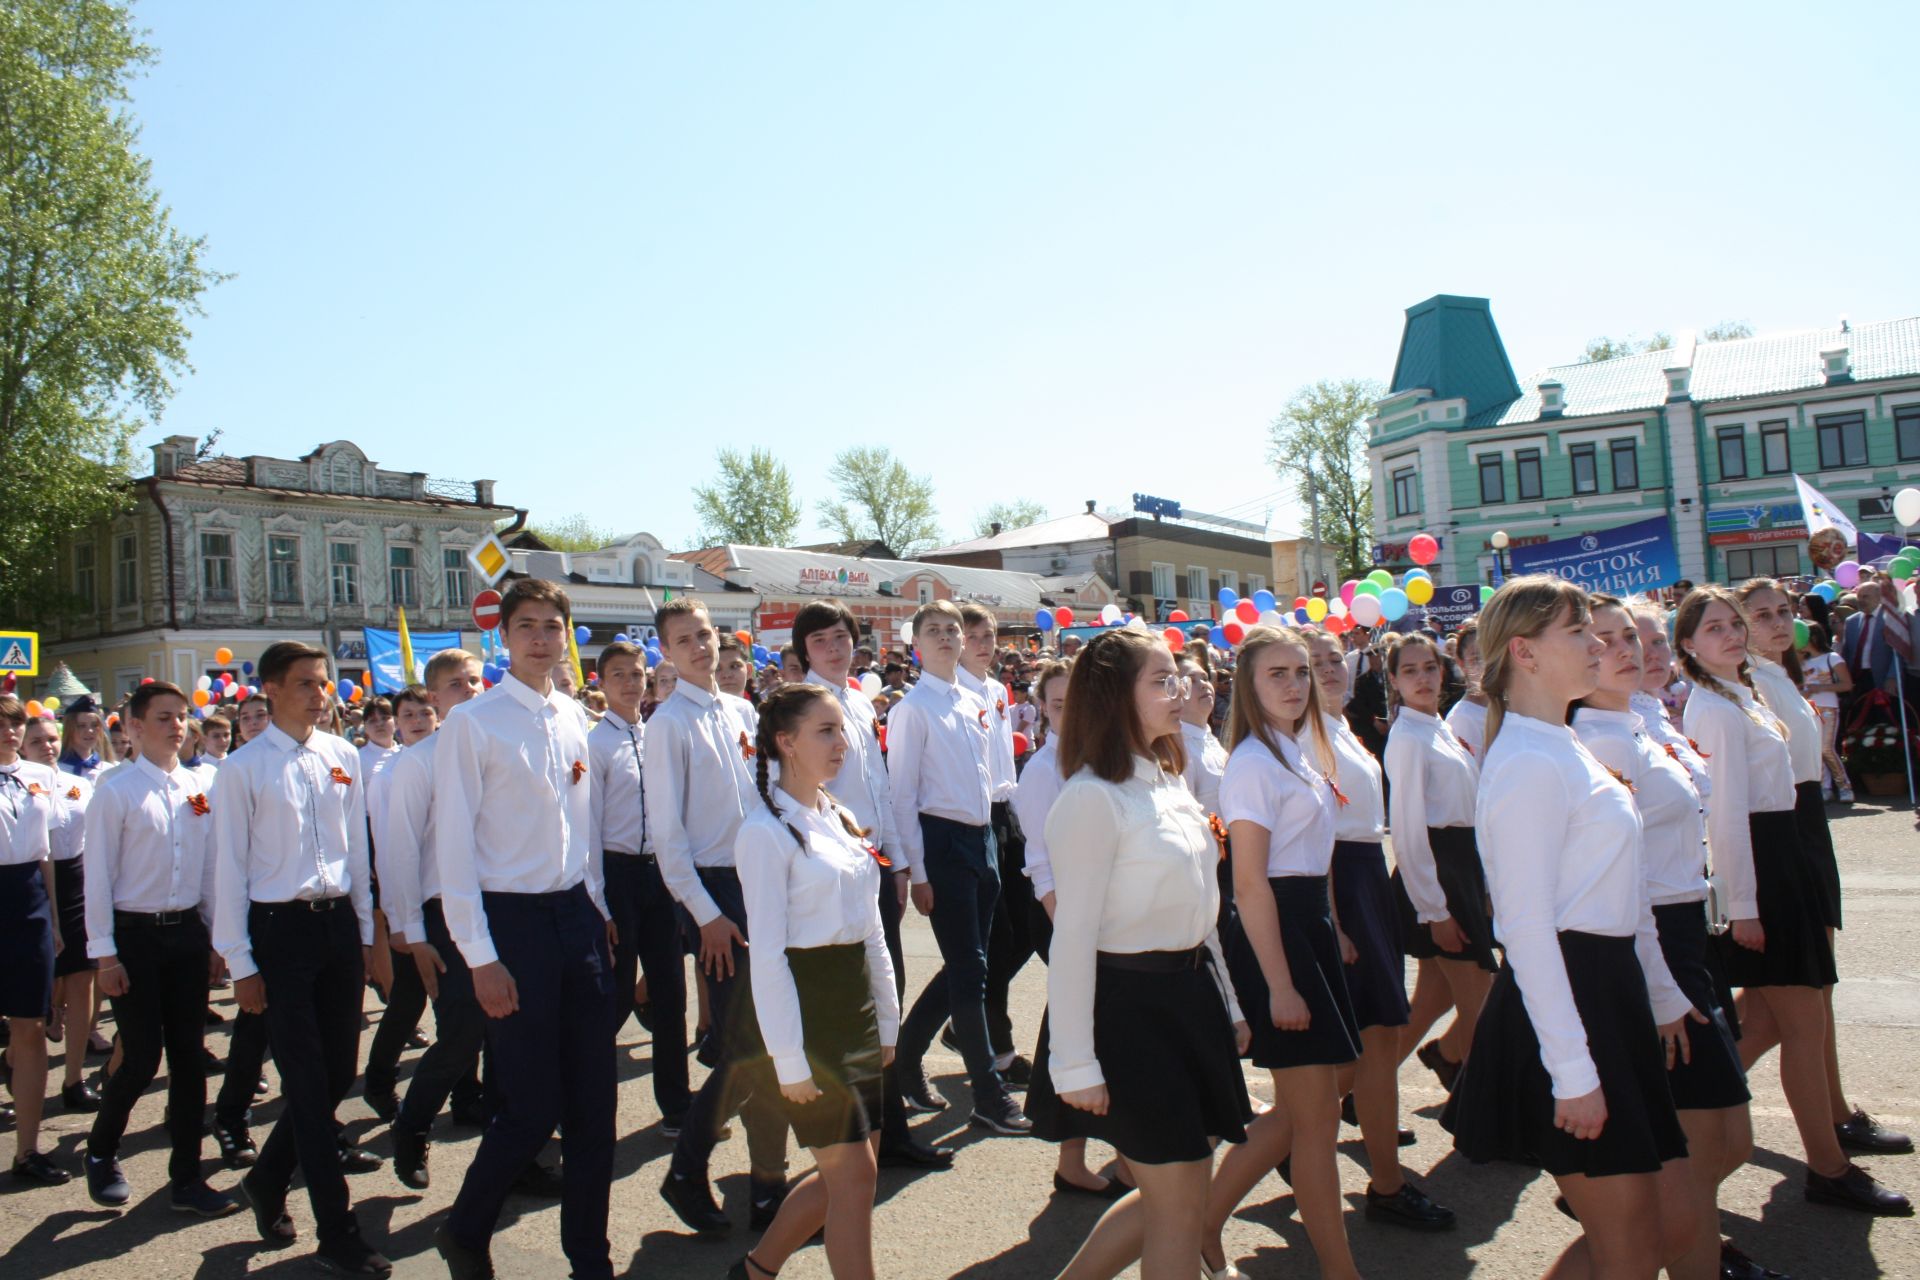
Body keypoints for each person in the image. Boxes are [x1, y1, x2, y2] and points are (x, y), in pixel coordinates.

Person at [1442, 576, 1700, 1278]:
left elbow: (1623, 891)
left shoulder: (1560, 744)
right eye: (1579, 632)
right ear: (1524, 653)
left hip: (1604, 992)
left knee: (1645, 1237)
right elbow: (1525, 931)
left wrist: (1661, 994)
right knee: (1629, 1247)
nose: (1597, 644)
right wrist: (1574, 1072)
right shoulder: (1528, 760)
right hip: (1571, 1003)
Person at [1026, 628, 1251, 1280]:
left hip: (1188, 1000)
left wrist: (1229, 1004)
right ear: (1114, 696)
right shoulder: (1092, 797)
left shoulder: (1167, 780)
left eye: (1176, 677)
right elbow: (1071, 939)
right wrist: (1074, 1064)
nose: (1178, 691)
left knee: (1175, 1196)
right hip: (1131, 1014)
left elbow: (1199, 912)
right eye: (1160, 680)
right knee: (1179, 1207)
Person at [1677, 587, 1908, 1215]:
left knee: (1779, 1022)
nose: (1731, 634)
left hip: (1782, 853)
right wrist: (1742, 906)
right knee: (1801, 1025)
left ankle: (1675, 1149)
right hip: (1764, 867)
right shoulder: (1716, 708)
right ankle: (1828, 1168)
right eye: (1715, 628)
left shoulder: (1740, 695)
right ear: (1688, 648)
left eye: (1733, 624)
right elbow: (1725, 821)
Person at [427, 580, 617, 1280]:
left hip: (575, 918)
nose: (540, 639)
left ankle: (588, 1257)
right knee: (533, 1108)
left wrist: (598, 910)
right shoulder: (474, 724)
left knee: (596, 1106)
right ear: (503, 637)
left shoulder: (573, 716)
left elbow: (583, 829)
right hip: (511, 926)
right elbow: (453, 849)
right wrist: (479, 956)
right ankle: (466, 1228)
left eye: (551, 626)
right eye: (527, 626)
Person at [1574, 595, 1766, 1280]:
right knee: (1688, 1167)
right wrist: (1662, 986)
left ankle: (1689, 1251)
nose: (1629, 650)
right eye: (1606, 640)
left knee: (1723, 1140)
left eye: (1633, 636)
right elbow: (1619, 879)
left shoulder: (1634, 723)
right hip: (1654, 942)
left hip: (1687, 934)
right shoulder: (1596, 739)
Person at [210, 641, 391, 1275]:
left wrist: (369, 938)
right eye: (309, 684)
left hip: (337, 925)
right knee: (309, 1088)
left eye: (325, 682)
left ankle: (265, 1178)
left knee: (339, 1070)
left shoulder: (343, 756)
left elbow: (358, 857)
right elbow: (228, 870)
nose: (323, 694)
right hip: (278, 933)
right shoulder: (243, 769)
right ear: (273, 691)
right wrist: (241, 963)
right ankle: (337, 1231)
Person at [1199, 625, 1363, 1280]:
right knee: (1316, 1128)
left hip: (1309, 929)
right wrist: (1281, 984)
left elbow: (1314, 854)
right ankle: (1340, 1271)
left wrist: (1336, 927)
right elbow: (1249, 885)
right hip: (1278, 936)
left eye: (1302, 672)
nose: (1296, 684)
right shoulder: (1252, 764)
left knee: (1308, 1112)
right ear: (1248, 685)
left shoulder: (1298, 751)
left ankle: (1204, 1220)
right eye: (1279, 674)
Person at [731, 683, 900, 1280]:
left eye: (841, 729)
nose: (841, 742)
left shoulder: (841, 815)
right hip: (806, 1015)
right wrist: (789, 1060)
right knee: (855, 1181)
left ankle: (756, 1269)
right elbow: (769, 956)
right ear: (786, 743)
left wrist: (886, 1016)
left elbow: (872, 930)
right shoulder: (764, 832)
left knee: (848, 1174)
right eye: (824, 731)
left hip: (853, 1003)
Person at [647, 598, 792, 1238]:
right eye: (684, 641)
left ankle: (766, 1185)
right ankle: (696, 1169)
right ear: (667, 652)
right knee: (750, 1049)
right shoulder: (667, 724)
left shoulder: (741, 710)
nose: (700, 648)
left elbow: (766, 798)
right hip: (714, 892)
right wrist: (704, 916)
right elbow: (667, 839)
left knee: (769, 1042)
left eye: (704, 635)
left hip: (761, 880)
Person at [792, 600, 953, 1172]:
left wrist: (901, 863)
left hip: (876, 863)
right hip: (838, 866)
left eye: (840, 638)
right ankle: (850, 1139)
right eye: (820, 641)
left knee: (889, 994)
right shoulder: (804, 707)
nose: (833, 649)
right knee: (848, 1005)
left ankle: (888, 1131)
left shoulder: (858, 699)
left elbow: (882, 789)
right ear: (804, 651)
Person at [1302, 628, 1451, 1230]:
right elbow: (1318, 843)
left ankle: (1373, 1171)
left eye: (1335, 658)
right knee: (1371, 1044)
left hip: (1368, 879)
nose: (1329, 669)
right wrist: (1337, 921)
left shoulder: (1340, 730)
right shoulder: (1309, 739)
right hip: (1345, 884)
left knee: (1376, 1045)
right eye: (1313, 663)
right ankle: (1380, 1182)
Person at [78, 681, 236, 1215]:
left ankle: (186, 1178)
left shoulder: (199, 787)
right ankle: (101, 1149)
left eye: (181, 716)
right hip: (135, 937)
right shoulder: (116, 790)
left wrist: (216, 938)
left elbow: (212, 867)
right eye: (163, 717)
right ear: (135, 729)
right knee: (143, 1056)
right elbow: (96, 877)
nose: (175, 726)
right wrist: (105, 955)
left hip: (187, 933)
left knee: (190, 1058)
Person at [887, 601, 1029, 1135]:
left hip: (981, 839)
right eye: (935, 631)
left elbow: (988, 780)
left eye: (953, 629)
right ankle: (989, 1096)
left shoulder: (972, 699)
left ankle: (906, 1055)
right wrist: (916, 872)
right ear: (916, 645)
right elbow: (902, 798)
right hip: (942, 843)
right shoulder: (913, 708)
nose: (947, 637)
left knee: (971, 966)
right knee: (969, 972)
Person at [1016, 658, 1132, 1200]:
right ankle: (1075, 1158)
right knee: (1075, 1029)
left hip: (1115, 916)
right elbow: (1039, 861)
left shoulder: (1105, 758)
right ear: (1042, 706)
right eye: (1058, 704)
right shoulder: (1042, 771)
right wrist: (1071, 932)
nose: (1069, 713)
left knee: (1111, 1033)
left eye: (1077, 702)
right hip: (1069, 918)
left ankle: (1120, 1151)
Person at [380, 650, 489, 1190]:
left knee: (503, 1024)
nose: (467, 691)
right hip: (441, 910)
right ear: (432, 699)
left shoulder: (495, 745)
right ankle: (412, 1125)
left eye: (474, 680)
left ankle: (482, 1111)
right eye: (454, 685)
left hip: (496, 902)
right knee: (462, 1028)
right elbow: (398, 853)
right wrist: (412, 934)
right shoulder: (417, 763)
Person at [589, 639, 691, 1135]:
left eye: (637, 674)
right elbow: (588, 828)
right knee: (614, 997)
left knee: (670, 992)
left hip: (661, 874)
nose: (631, 684)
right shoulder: (597, 743)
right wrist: (599, 902)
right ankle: (589, 1105)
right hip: (618, 876)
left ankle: (676, 1105)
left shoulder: (659, 735)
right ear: (602, 683)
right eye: (619, 676)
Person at [1383, 633, 1492, 1090]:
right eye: (1409, 671)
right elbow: (1407, 831)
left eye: (1429, 667)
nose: (1422, 678)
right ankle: (1480, 1114)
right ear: (1392, 680)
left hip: (1461, 867)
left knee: (1433, 998)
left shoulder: (1439, 726)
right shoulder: (1407, 737)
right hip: (1437, 874)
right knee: (1482, 1002)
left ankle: (1357, 1092)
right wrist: (1435, 910)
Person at [953, 604, 1035, 1092]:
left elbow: (1004, 761)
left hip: (1007, 816)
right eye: (975, 636)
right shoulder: (953, 692)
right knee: (993, 938)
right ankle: (995, 1046)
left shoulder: (998, 690)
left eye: (990, 635)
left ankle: (968, 1027)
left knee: (1023, 930)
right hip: (974, 818)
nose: (986, 644)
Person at [359, 684, 439, 1123]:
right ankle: (378, 1080)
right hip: (412, 904)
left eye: (424, 712)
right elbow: (388, 851)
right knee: (408, 1002)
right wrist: (397, 916)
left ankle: (467, 1091)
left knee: (455, 1006)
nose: (416, 720)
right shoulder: (387, 776)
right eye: (406, 714)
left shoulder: (449, 761)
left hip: (449, 900)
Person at [0, 695, 67, 1186]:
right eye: (0, 723)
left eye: (15, 722)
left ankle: (28, 1149)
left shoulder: (38, 776)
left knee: (31, 1025)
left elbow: (44, 853)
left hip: (28, 903)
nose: (9, 731)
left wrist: (56, 920)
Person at [22, 716, 101, 1111]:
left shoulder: (79, 784)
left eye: (51, 739)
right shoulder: (23, 788)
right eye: (36, 740)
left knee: (83, 982)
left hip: (79, 882)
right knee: (41, 991)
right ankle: (15, 1062)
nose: (47, 746)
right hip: (39, 885)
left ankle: (74, 1078)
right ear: (22, 746)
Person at [1799, 622, 1854, 802]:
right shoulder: (1801, 661)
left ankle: (1844, 786)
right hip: (1808, 708)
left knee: (1826, 748)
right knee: (1815, 749)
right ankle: (1825, 786)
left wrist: (1819, 687)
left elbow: (1846, 684)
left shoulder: (1833, 658)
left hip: (1829, 707)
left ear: (1813, 637)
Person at [1442, 618, 1488, 758]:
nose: (1485, 666)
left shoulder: (1503, 705)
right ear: (1461, 663)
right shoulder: (1463, 718)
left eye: (1491, 656)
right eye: (1476, 659)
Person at [58, 695, 115, 781]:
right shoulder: (58, 769)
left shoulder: (109, 771)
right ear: (69, 729)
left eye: (95, 725)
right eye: (81, 726)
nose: (90, 731)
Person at [356, 698, 400, 776]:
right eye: (373, 720)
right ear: (365, 727)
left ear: (396, 722)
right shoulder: (358, 759)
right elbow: (346, 784)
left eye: (385, 718)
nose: (379, 724)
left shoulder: (407, 753)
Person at [715, 634, 754, 701]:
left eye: (734, 666)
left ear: (749, 670)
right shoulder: (693, 711)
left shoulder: (755, 710)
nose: (727, 675)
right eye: (717, 668)